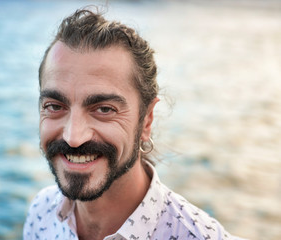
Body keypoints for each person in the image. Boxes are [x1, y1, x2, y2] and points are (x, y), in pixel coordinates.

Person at [23, 7, 246, 240]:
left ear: (146, 120)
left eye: (104, 109)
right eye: (54, 106)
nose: (73, 137)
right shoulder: (42, 212)